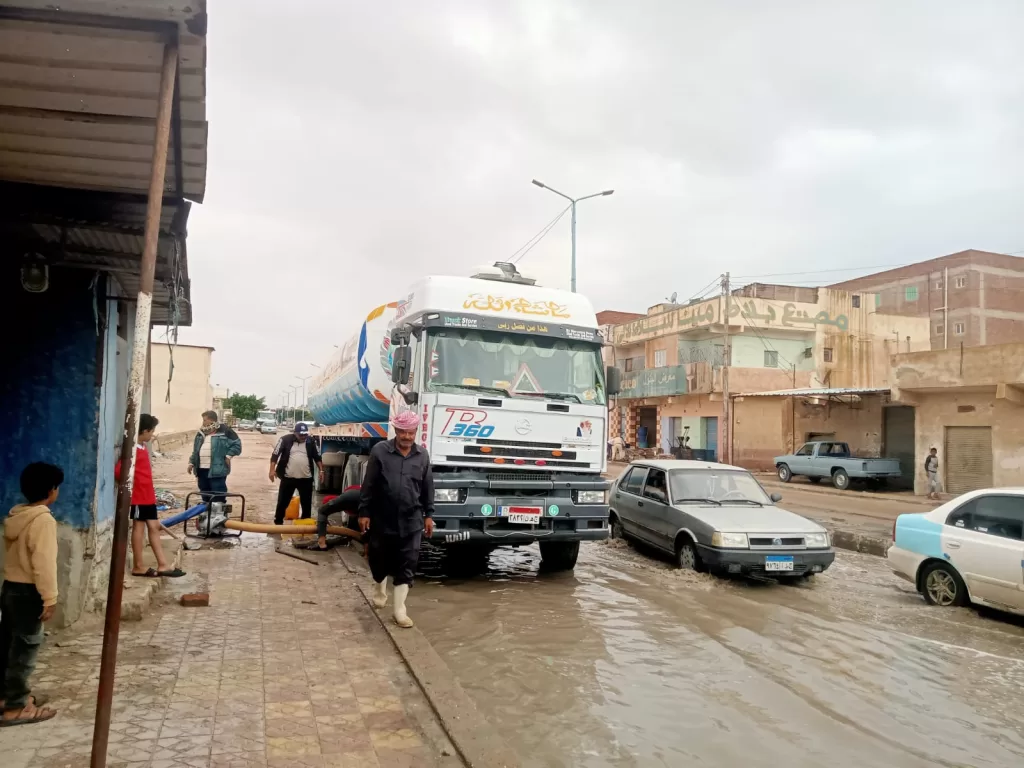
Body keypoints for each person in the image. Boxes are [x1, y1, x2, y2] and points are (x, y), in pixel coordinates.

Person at [358, 410, 434, 629]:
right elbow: (369, 484)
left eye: (411, 433)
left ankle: (400, 610)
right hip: (383, 518)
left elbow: (428, 487)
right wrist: (364, 512)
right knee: (379, 559)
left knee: (408, 562)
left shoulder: (423, 456)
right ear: (396, 430)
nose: (407, 437)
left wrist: (429, 514)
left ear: (416, 432)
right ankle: (379, 587)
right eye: (403, 432)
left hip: (412, 520)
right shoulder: (380, 451)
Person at [0, 463, 63, 726]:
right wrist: (50, 598)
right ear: (51, 491)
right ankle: (16, 707)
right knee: (25, 649)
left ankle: (7, 698)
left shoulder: (16, 515)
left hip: (10, 588)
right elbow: (44, 563)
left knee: (8, 646)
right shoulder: (43, 520)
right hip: (29, 592)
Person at [117, 414, 185, 579]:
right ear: (145, 430)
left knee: (153, 528)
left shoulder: (140, 447)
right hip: (140, 497)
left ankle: (162, 565)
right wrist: (135, 486)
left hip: (147, 497)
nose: (153, 434)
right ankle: (139, 566)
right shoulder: (132, 449)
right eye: (152, 431)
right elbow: (119, 471)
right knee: (140, 528)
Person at [270, 422, 325, 524]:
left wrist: (321, 470)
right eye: (301, 434)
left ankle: (305, 524)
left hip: (306, 479)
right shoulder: (285, 440)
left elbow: (317, 457)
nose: (303, 436)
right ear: (295, 433)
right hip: (288, 478)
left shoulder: (311, 441)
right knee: (282, 502)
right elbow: (275, 454)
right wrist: (272, 470)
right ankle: (278, 522)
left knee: (306, 504)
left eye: (305, 434)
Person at [188, 411, 241, 505]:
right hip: (201, 469)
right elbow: (195, 450)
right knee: (205, 493)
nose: (203, 423)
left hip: (217, 469)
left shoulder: (225, 431)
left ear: (212, 420)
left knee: (218, 494)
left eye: (205, 420)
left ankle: (218, 515)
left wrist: (228, 456)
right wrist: (191, 463)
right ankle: (207, 513)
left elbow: (237, 445)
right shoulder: (201, 433)